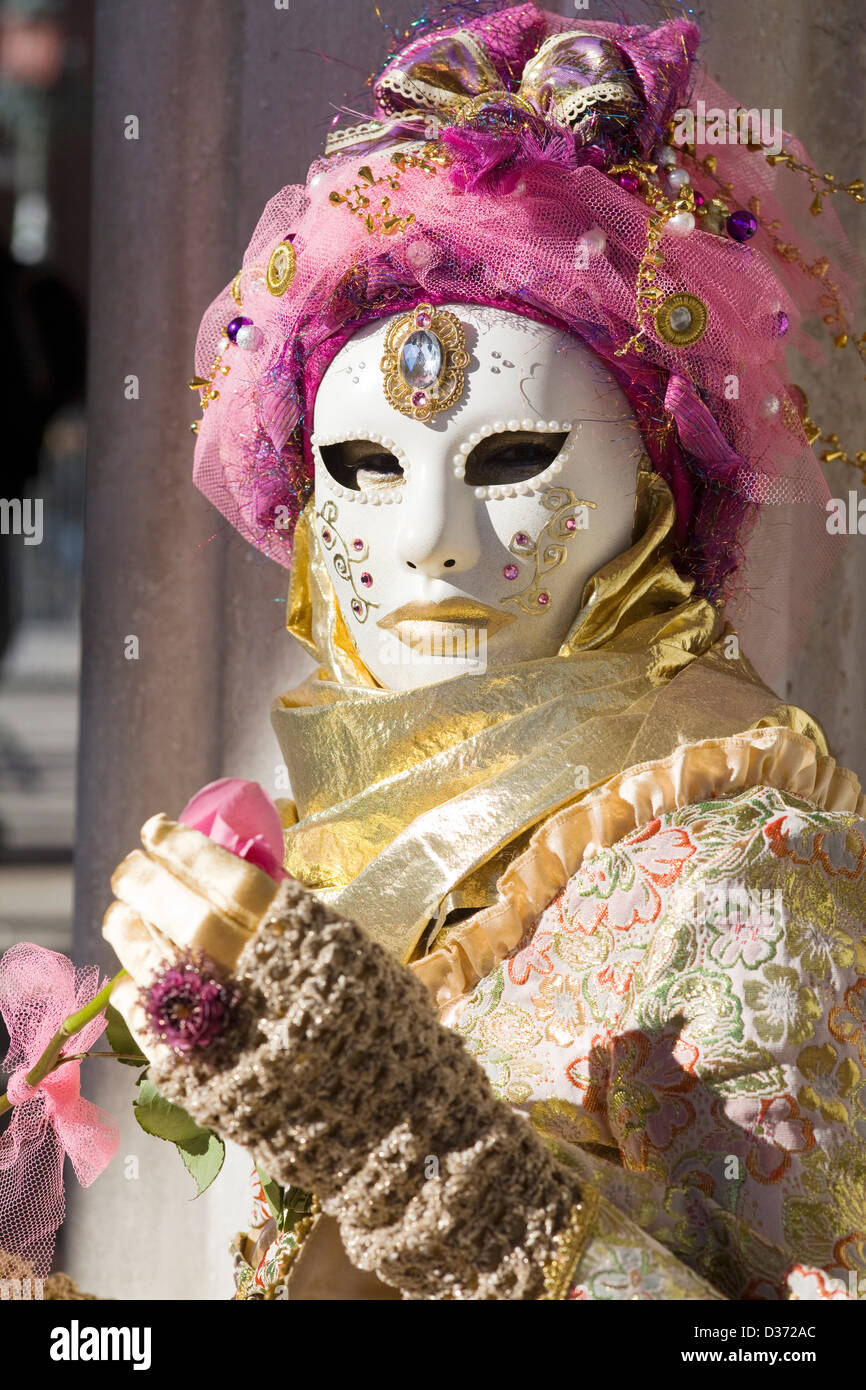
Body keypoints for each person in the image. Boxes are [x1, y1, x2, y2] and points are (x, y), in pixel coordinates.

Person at [102, 4, 866, 1301]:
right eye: (361, 468)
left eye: (513, 461)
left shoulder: (740, 867)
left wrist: (423, 1161)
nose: (433, 541)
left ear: (659, 491)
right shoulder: (368, 844)